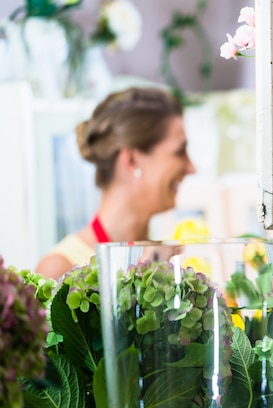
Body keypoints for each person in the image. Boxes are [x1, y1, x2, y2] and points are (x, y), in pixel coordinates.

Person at [36, 87, 196, 279]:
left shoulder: (170, 261)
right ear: (132, 160)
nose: (191, 167)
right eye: (180, 151)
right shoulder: (60, 269)